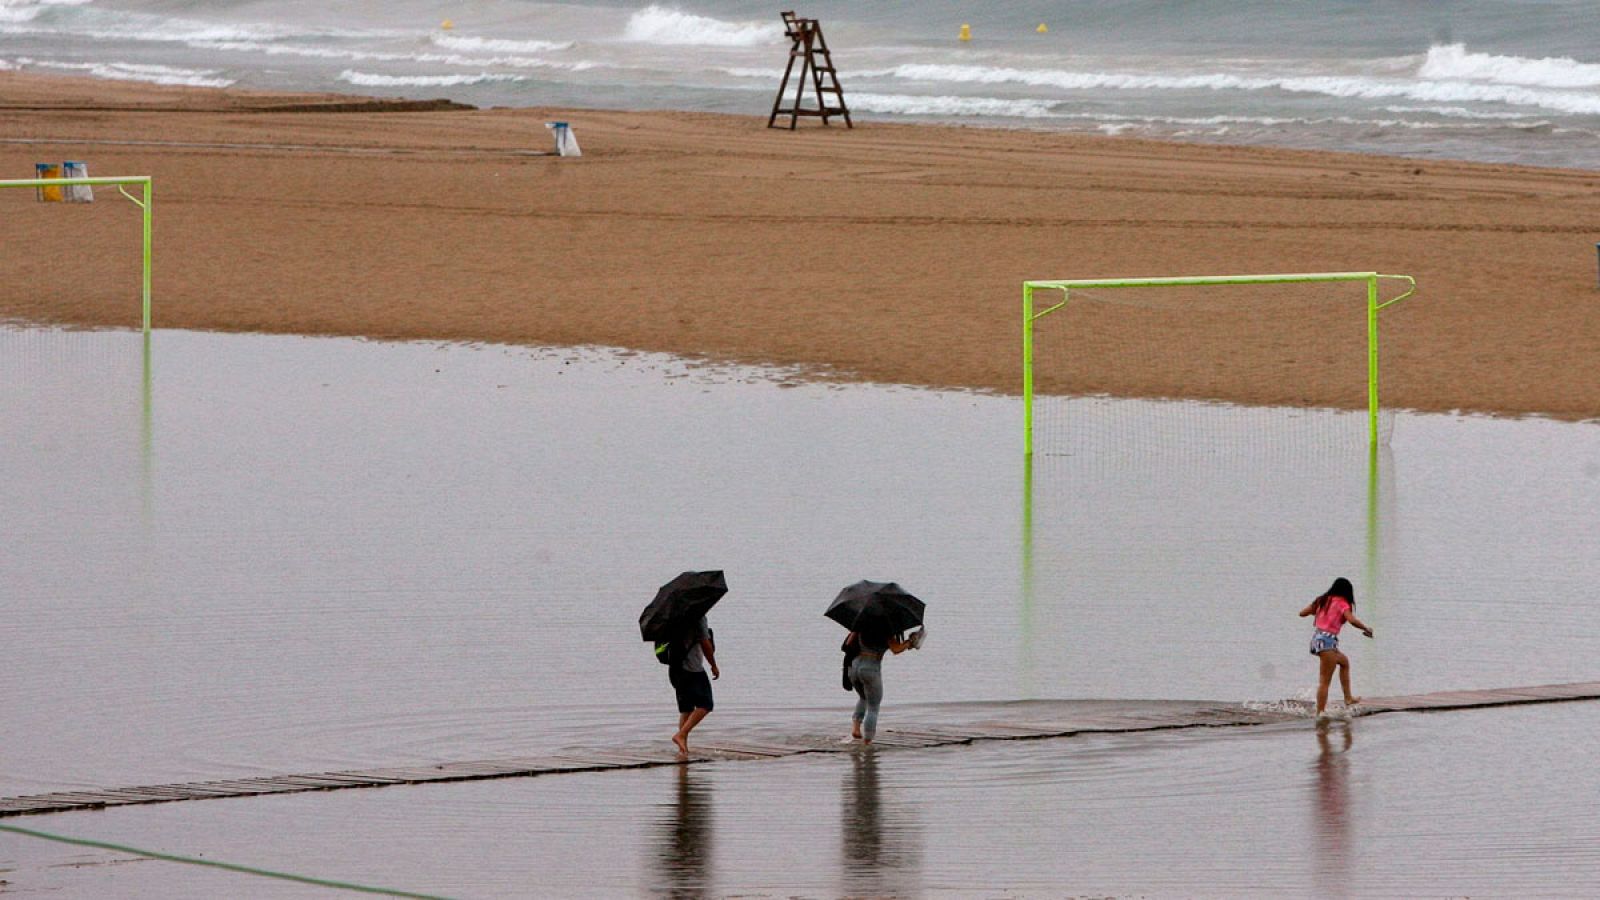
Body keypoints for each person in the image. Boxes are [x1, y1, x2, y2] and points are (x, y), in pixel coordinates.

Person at [1298, 577, 1373, 716]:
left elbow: (1302, 613)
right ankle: (1320, 713)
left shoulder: (1322, 600)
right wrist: (1366, 628)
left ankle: (1348, 698)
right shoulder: (1343, 603)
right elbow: (1352, 620)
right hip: (1327, 642)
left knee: (1344, 663)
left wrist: (1317, 611)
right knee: (1325, 681)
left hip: (1317, 640)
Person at [843, 627, 921, 744]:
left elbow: (847, 644)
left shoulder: (861, 624)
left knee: (863, 697)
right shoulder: (886, 627)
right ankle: (867, 741)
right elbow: (896, 649)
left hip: (853, 667)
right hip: (870, 668)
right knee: (873, 706)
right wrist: (910, 642)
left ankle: (856, 729)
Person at [668, 616, 718, 755]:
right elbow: (705, 643)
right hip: (692, 669)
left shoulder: (674, 615)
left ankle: (682, 750)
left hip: (675, 668)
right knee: (706, 704)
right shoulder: (698, 617)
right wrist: (713, 665)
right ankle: (681, 735)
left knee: (686, 708)